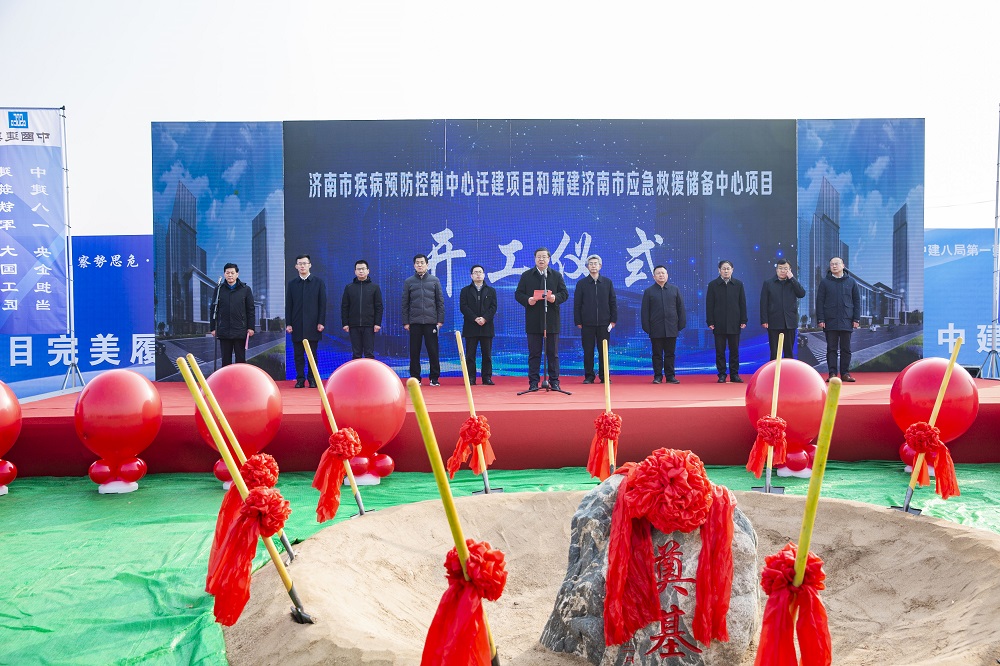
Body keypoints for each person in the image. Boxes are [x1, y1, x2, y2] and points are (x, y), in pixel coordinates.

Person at [514, 247, 569, 391]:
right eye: (539, 256)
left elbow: (564, 294)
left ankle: (554, 381)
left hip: (551, 320)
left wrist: (554, 298)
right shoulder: (527, 275)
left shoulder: (556, 275)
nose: (541, 259)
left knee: (553, 354)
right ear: (535, 259)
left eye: (544, 257)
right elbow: (518, 294)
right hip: (533, 320)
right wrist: (528, 300)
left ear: (549, 259)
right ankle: (533, 382)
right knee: (534, 354)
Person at [816, 256, 861, 382]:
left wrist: (856, 319)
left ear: (843, 265)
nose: (834, 266)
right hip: (830, 321)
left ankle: (845, 373)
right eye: (832, 264)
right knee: (831, 349)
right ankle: (832, 374)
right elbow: (819, 302)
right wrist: (821, 319)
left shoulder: (851, 282)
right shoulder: (825, 282)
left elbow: (857, 301)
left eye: (837, 264)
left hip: (847, 320)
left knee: (846, 349)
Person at [573, 254, 617, 384]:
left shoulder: (607, 283)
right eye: (591, 264)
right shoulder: (582, 283)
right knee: (588, 350)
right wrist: (578, 321)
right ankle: (589, 376)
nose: (593, 266)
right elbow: (577, 304)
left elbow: (613, 302)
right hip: (587, 323)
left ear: (600, 266)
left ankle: (604, 376)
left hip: (604, 323)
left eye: (595, 263)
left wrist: (613, 320)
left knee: (604, 351)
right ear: (587, 266)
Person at [402, 253, 444, 386]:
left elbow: (440, 302)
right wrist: (406, 321)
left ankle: (434, 378)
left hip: (431, 322)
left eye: (422, 263)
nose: (420, 265)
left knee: (433, 350)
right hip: (414, 322)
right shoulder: (409, 281)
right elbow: (405, 303)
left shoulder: (434, 280)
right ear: (414, 265)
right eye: (417, 263)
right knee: (414, 351)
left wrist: (440, 320)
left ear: (427, 265)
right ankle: (416, 378)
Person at [286, 254, 327, 388]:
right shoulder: (292, 284)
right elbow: (289, 305)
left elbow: (322, 304)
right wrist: (289, 323)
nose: (302, 266)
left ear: (310, 265)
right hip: (297, 324)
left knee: (312, 355)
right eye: (300, 264)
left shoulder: (318, 282)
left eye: (305, 263)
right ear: (296, 266)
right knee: (298, 355)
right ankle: (300, 379)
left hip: (313, 325)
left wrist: (321, 322)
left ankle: (312, 379)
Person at [640, 265, 686, 384]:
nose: (661, 275)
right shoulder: (649, 292)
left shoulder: (674, 290)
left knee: (670, 354)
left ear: (667, 275)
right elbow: (645, 311)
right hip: (656, 328)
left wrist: (680, 325)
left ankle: (670, 376)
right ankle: (658, 376)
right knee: (657, 354)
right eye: (658, 273)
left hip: (671, 327)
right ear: (654, 276)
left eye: (663, 273)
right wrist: (647, 328)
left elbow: (680, 308)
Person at [706, 259, 748, 383]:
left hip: (735, 322)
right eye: (723, 268)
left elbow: (742, 303)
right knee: (720, 351)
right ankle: (722, 374)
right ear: (719, 270)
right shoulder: (713, 285)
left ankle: (734, 374)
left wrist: (743, 319)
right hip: (718, 323)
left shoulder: (738, 284)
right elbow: (709, 305)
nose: (726, 271)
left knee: (734, 351)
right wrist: (710, 321)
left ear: (732, 270)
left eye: (728, 268)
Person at [210, 262, 255, 366]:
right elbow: (213, 309)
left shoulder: (245, 289)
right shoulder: (219, 289)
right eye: (227, 273)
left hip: (240, 330)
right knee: (225, 361)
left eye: (232, 273)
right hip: (224, 330)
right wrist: (213, 328)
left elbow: (250, 310)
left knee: (240, 360)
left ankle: (240, 377)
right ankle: (226, 378)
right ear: (224, 274)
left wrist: (251, 327)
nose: (230, 275)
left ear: (237, 274)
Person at [459, 265, 497, 385]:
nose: (478, 274)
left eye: (480, 272)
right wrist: (475, 318)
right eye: (475, 272)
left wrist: (484, 318)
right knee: (470, 355)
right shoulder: (465, 290)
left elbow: (493, 307)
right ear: (471, 276)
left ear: (484, 275)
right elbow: (463, 307)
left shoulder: (491, 291)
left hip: (486, 326)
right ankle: (471, 378)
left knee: (487, 355)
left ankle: (487, 377)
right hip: (471, 326)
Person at [760, 258, 805, 360]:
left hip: (789, 322)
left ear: (790, 270)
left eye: (785, 268)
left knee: (789, 352)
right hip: (774, 322)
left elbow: (801, 294)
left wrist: (792, 278)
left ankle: (788, 370)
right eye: (780, 268)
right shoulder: (768, 283)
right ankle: (774, 370)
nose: (782, 271)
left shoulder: (792, 283)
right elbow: (763, 303)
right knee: (774, 352)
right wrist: (764, 320)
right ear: (776, 269)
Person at [341, 259, 383, 360]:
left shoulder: (374, 287)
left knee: (369, 353)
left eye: (363, 269)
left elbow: (379, 306)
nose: (361, 271)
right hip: (353, 325)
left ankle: (370, 371)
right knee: (356, 353)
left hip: (369, 325)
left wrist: (377, 323)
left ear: (368, 271)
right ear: (355, 271)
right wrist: (345, 323)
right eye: (358, 269)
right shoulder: (349, 287)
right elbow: (345, 306)